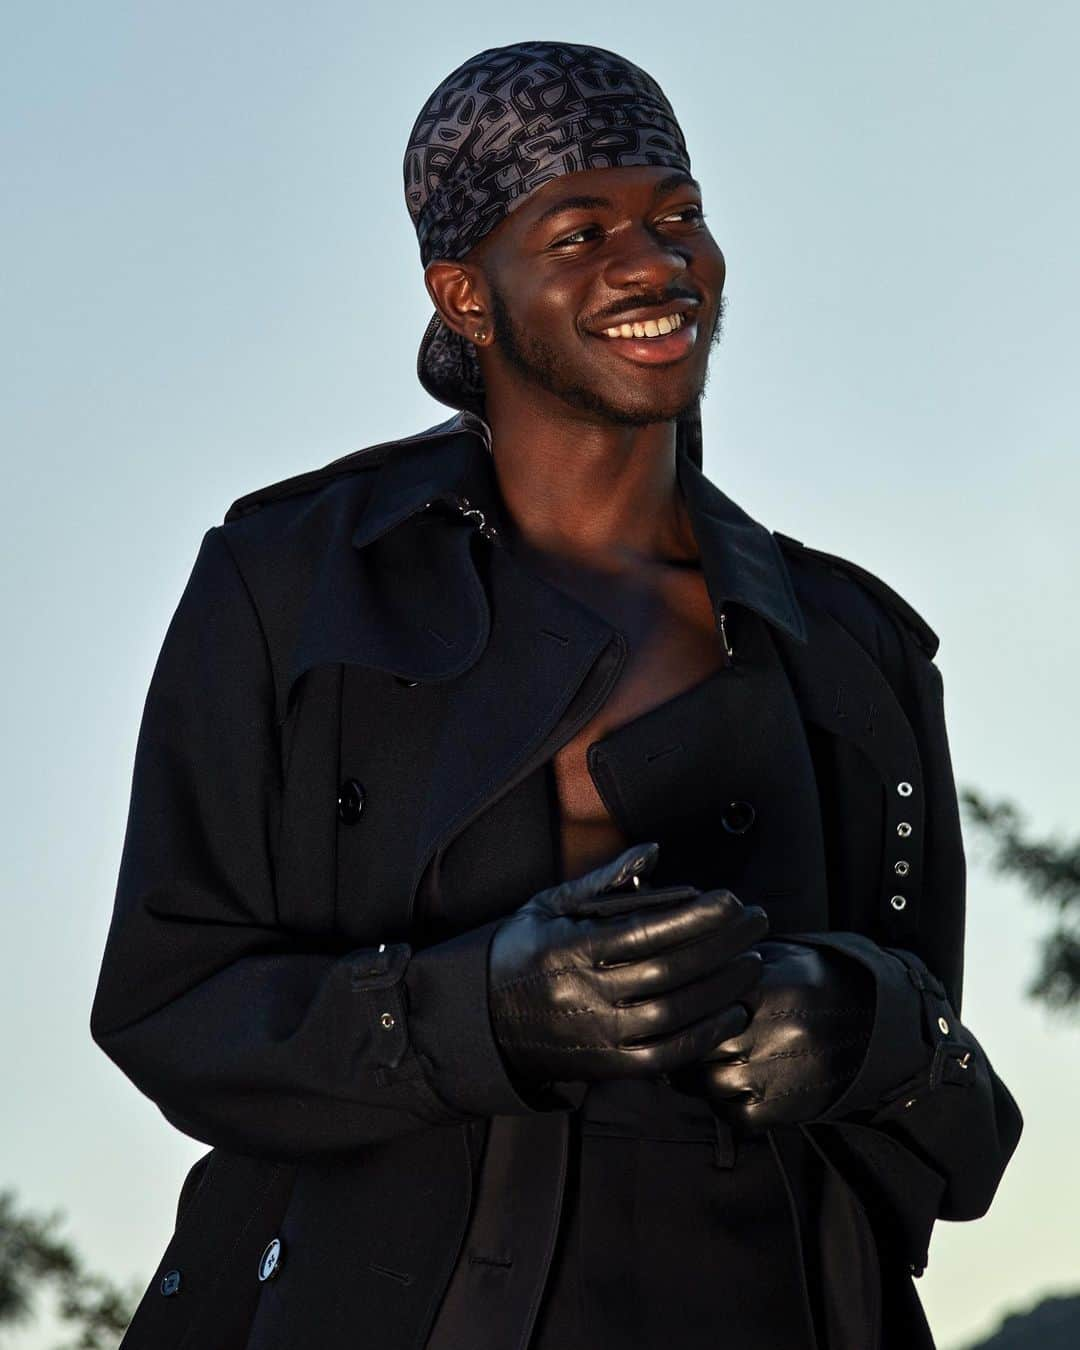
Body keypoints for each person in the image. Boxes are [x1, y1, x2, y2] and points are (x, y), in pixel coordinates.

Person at [91, 40, 1023, 1350]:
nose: (654, 263)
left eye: (677, 216)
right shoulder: (292, 583)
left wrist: (870, 1023)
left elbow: (966, 1138)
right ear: (466, 294)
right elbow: (169, 1008)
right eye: (581, 231)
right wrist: (475, 1012)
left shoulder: (853, 645)